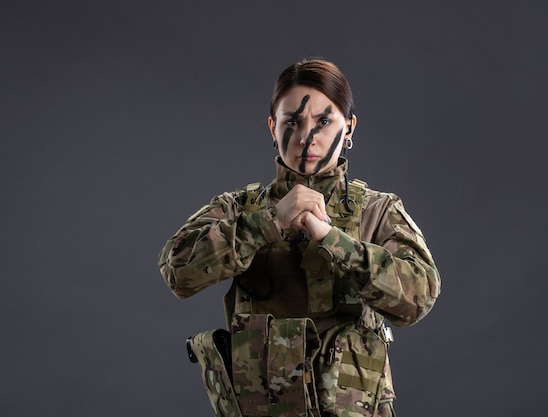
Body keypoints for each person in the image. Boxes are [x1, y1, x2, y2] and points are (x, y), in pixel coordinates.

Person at [158, 58, 441, 417]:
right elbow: (177, 271)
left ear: (349, 128)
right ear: (273, 127)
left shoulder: (377, 211)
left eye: (324, 122)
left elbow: (419, 297)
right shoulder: (240, 209)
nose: (307, 137)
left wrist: (331, 239)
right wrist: (268, 223)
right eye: (293, 121)